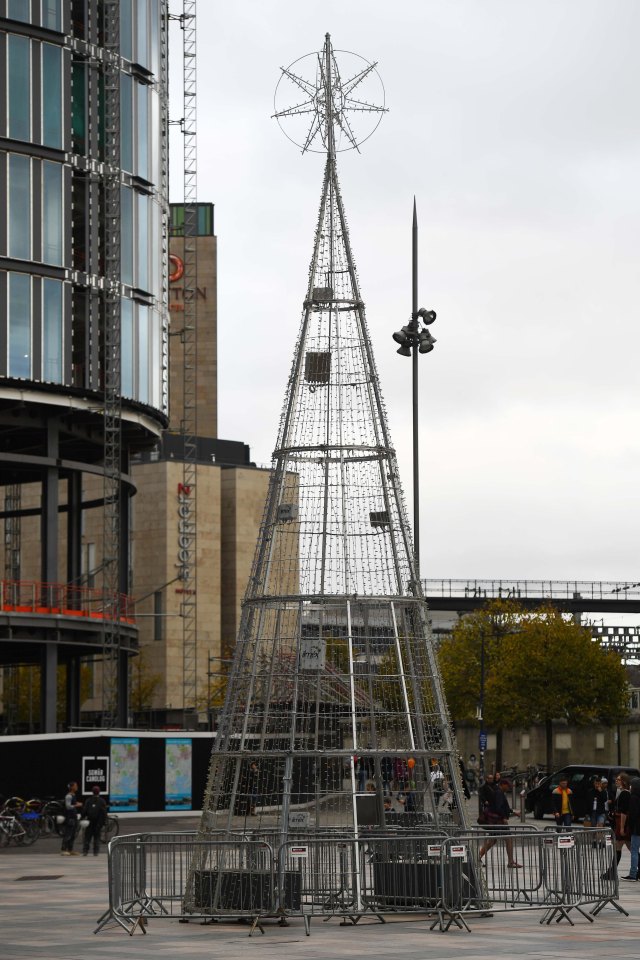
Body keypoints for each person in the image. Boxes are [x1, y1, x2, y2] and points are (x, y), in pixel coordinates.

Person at [478, 778, 521, 868]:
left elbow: (502, 806)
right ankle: (510, 862)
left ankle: (477, 857)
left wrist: (513, 812)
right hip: (498, 821)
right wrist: (504, 817)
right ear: (503, 784)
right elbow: (498, 807)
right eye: (508, 786)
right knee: (508, 839)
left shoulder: (498, 792)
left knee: (493, 840)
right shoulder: (498, 793)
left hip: (496, 820)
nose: (509, 788)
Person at [620, 776, 640, 881]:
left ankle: (633, 874)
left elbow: (633, 815)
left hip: (637, 828)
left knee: (634, 851)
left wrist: (629, 827)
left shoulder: (633, 798)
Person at [82, 786, 108, 856]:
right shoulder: (102, 801)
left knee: (87, 837)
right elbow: (104, 813)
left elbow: (84, 811)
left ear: (92, 792)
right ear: (99, 792)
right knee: (97, 837)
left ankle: (85, 851)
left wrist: (82, 818)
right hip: (98, 822)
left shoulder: (88, 800)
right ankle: (95, 852)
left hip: (89, 821)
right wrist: (104, 822)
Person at [60, 781, 83, 856]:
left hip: (74, 816)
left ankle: (70, 850)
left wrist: (76, 804)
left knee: (73, 834)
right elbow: (68, 806)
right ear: (72, 787)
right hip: (70, 817)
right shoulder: (69, 796)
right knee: (68, 834)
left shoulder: (73, 795)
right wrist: (76, 805)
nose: (77, 787)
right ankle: (63, 850)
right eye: (75, 786)